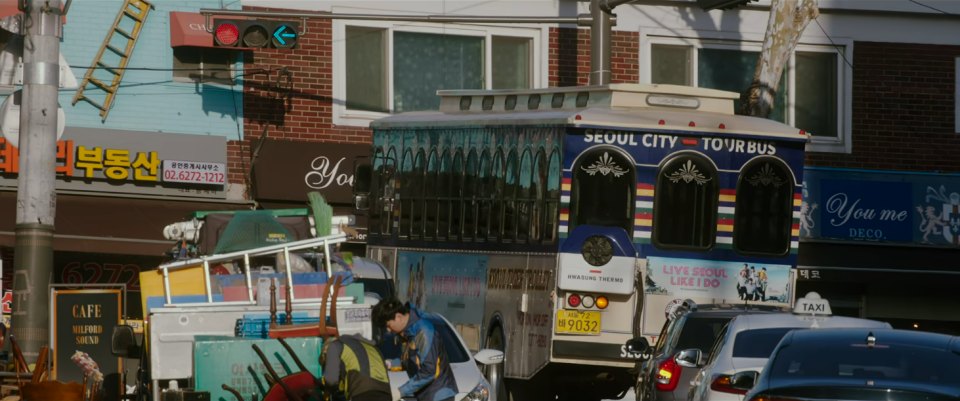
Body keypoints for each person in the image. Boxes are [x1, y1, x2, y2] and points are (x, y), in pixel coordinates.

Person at [372, 298, 457, 401]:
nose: (388, 331)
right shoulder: (408, 333)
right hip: (427, 396)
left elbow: (429, 371)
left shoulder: (423, 331)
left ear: (398, 317)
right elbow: (412, 361)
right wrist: (391, 364)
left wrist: (401, 391)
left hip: (438, 396)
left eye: (388, 326)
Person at [321, 333, 392, 401]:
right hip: (385, 393)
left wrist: (328, 390)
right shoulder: (373, 348)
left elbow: (331, 380)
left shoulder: (335, 345)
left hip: (362, 393)